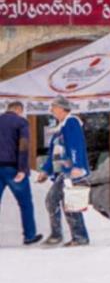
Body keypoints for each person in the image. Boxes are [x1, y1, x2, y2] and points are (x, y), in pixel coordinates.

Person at [36, 96, 89, 246]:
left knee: (58, 201)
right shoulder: (60, 127)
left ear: (61, 108)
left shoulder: (71, 123)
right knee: (65, 202)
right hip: (63, 172)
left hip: (71, 172)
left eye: (53, 107)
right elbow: (53, 153)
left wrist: (77, 166)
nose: (51, 110)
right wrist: (46, 170)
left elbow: (75, 145)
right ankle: (77, 237)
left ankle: (63, 235)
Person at [0, 101, 41, 245]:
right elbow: (23, 146)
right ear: (19, 110)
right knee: (25, 204)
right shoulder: (21, 122)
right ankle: (29, 236)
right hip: (13, 168)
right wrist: (22, 169)